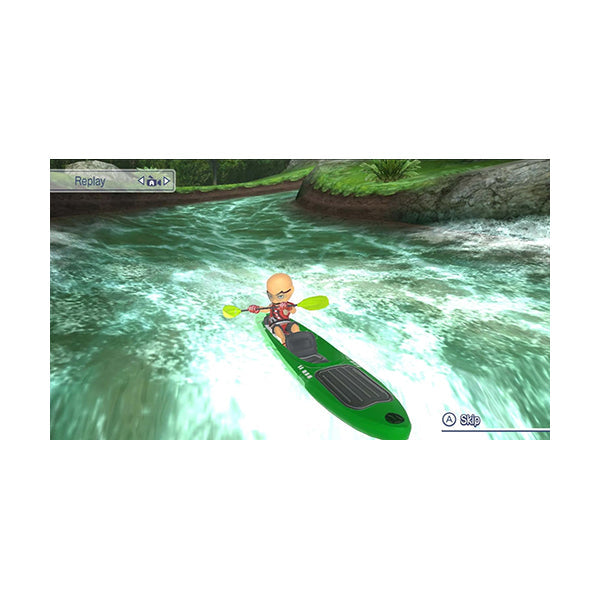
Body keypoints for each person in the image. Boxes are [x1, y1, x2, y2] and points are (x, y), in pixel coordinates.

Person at [248, 273, 300, 345]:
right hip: (275, 324)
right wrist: (257, 308)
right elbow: (266, 309)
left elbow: (293, 311)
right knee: (277, 329)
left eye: (280, 296)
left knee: (295, 326)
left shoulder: (288, 305)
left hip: (286, 323)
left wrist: (288, 307)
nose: (274, 300)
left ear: (291, 291)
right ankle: (284, 342)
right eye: (270, 296)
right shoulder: (272, 305)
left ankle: (298, 339)